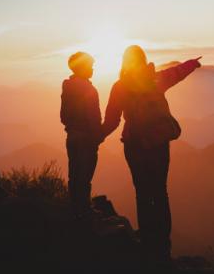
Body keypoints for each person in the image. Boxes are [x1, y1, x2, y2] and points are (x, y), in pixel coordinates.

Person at [102, 45, 201, 264]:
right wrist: (192, 63)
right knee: (160, 193)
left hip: (135, 144)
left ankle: (147, 244)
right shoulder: (156, 79)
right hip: (158, 143)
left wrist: (96, 137)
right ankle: (163, 247)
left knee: (143, 195)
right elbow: (177, 72)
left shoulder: (120, 87)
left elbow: (112, 120)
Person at [60, 51, 103, 218]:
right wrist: (97, 136)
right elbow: (93, 117)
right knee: (85, 176)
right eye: (91, 66)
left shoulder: (67, 88)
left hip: (72, 137)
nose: (93, 69)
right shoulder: (89, 90)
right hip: (87, 138)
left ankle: (75, 209)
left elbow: (63, 116)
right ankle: (84, 211)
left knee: (74, 174)